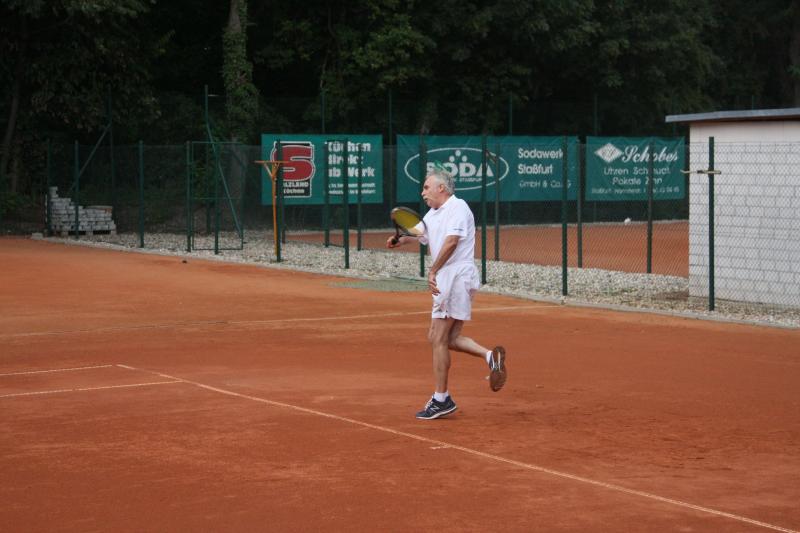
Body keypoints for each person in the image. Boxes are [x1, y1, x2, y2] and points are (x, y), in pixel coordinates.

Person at [386, 168, 507, 420]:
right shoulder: (432, 214)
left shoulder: (458, 207)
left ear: (441, 188)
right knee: (448, 338)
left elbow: (451, 242)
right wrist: (400, 240)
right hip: (452, 278)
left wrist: (433, 270)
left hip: (454, 277)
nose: (423, 193)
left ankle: (441, 399)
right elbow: (421, 235)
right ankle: (490, 357)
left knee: (437, 337)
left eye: (426, 187)